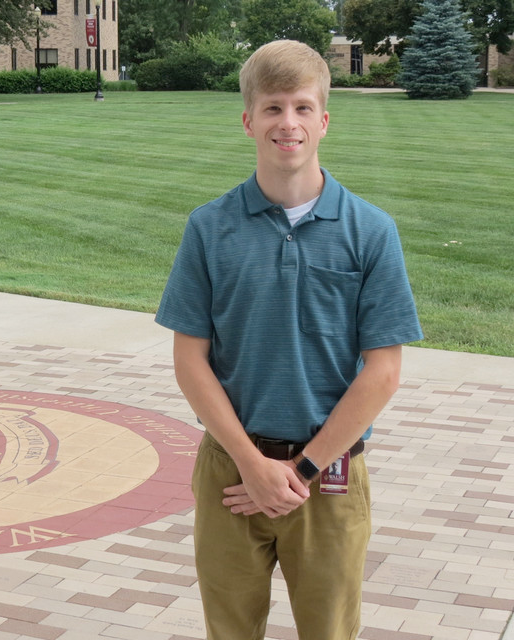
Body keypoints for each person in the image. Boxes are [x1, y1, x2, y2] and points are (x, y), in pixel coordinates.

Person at [154, 39, 423, 640]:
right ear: (249, 120)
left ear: (324, 120)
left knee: (329, 632)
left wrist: (298, 470)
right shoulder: (209, 227)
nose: (288, 123)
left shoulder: (370, 231)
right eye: (273, 108)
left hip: (328, 476)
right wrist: (252, 465)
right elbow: (189, 359)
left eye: (302, 107)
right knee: (229, 630)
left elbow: (382, 372)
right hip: (231, 470)